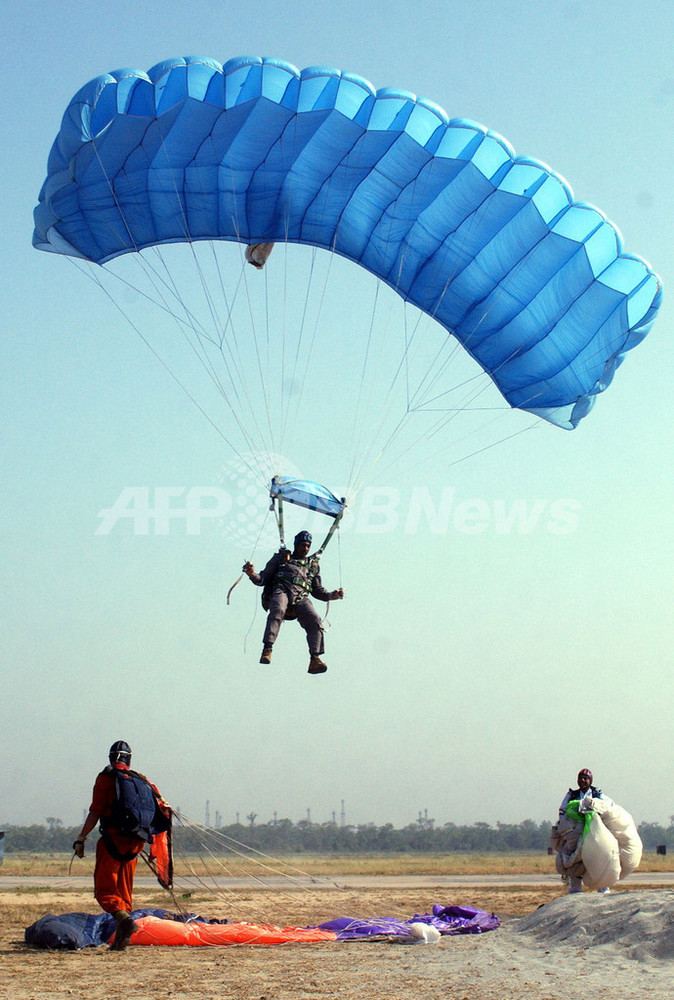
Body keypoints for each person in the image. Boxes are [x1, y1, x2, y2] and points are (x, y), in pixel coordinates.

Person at [72, 741, 171, 950]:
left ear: (110, 757)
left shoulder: (106, 778)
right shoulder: (142, 781)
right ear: (129, 759)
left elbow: (95, 812)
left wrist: (81, 838)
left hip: (112, 840)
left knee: (104, 890)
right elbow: (162, 811)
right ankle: (121, 940)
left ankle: (124, 920)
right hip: (136, 843)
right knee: (124, 891)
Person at [243, 530, 344, 674]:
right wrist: (251, 573)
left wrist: (332, 595)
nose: (306, 549)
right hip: (281, 590)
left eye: (308, 546)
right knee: (278, 609)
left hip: (301, 597)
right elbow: (263, 579)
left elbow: (317, 590)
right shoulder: (281, 558)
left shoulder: (312, 566)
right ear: (296, 545)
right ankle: (267, 648)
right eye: (303, 545)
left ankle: (315, 659)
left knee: (315, 619)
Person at [553, 767, 614, 894]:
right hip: (576, 833)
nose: (582, 780)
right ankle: (575, 889)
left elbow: (608, 807)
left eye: (585, 778)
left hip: (593, 833)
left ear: (590, 781)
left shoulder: (597, 794)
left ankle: (603, 888)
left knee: (599, 858)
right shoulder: (572, 795)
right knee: (574, 860)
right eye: (580, 778)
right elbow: (562, 810)